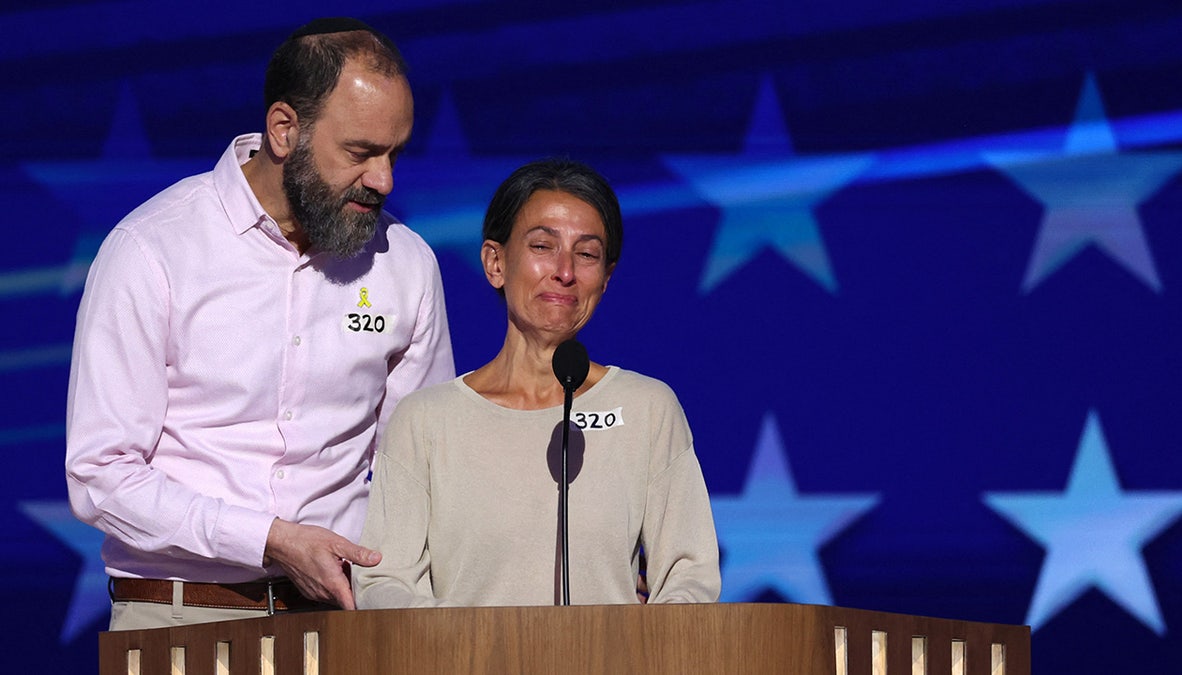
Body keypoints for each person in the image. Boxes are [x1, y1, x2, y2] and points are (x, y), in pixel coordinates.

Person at [64, 17, 455, 630]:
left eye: (394, 154)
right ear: (283, 129)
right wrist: (268, 539)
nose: (384, 180)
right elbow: (101, 475)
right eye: (360, 153)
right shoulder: (151, 250)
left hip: (344, 621)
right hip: (177, 619)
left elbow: (428, 471)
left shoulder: (406, 263)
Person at [353, 159, 720, 608]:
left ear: (605, 279)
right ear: (495, 262)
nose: (564, 271)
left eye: (587, 254)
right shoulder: (426, 420)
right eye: (543, 246)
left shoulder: (648, 409)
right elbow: (386, 582)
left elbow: (690, 577)